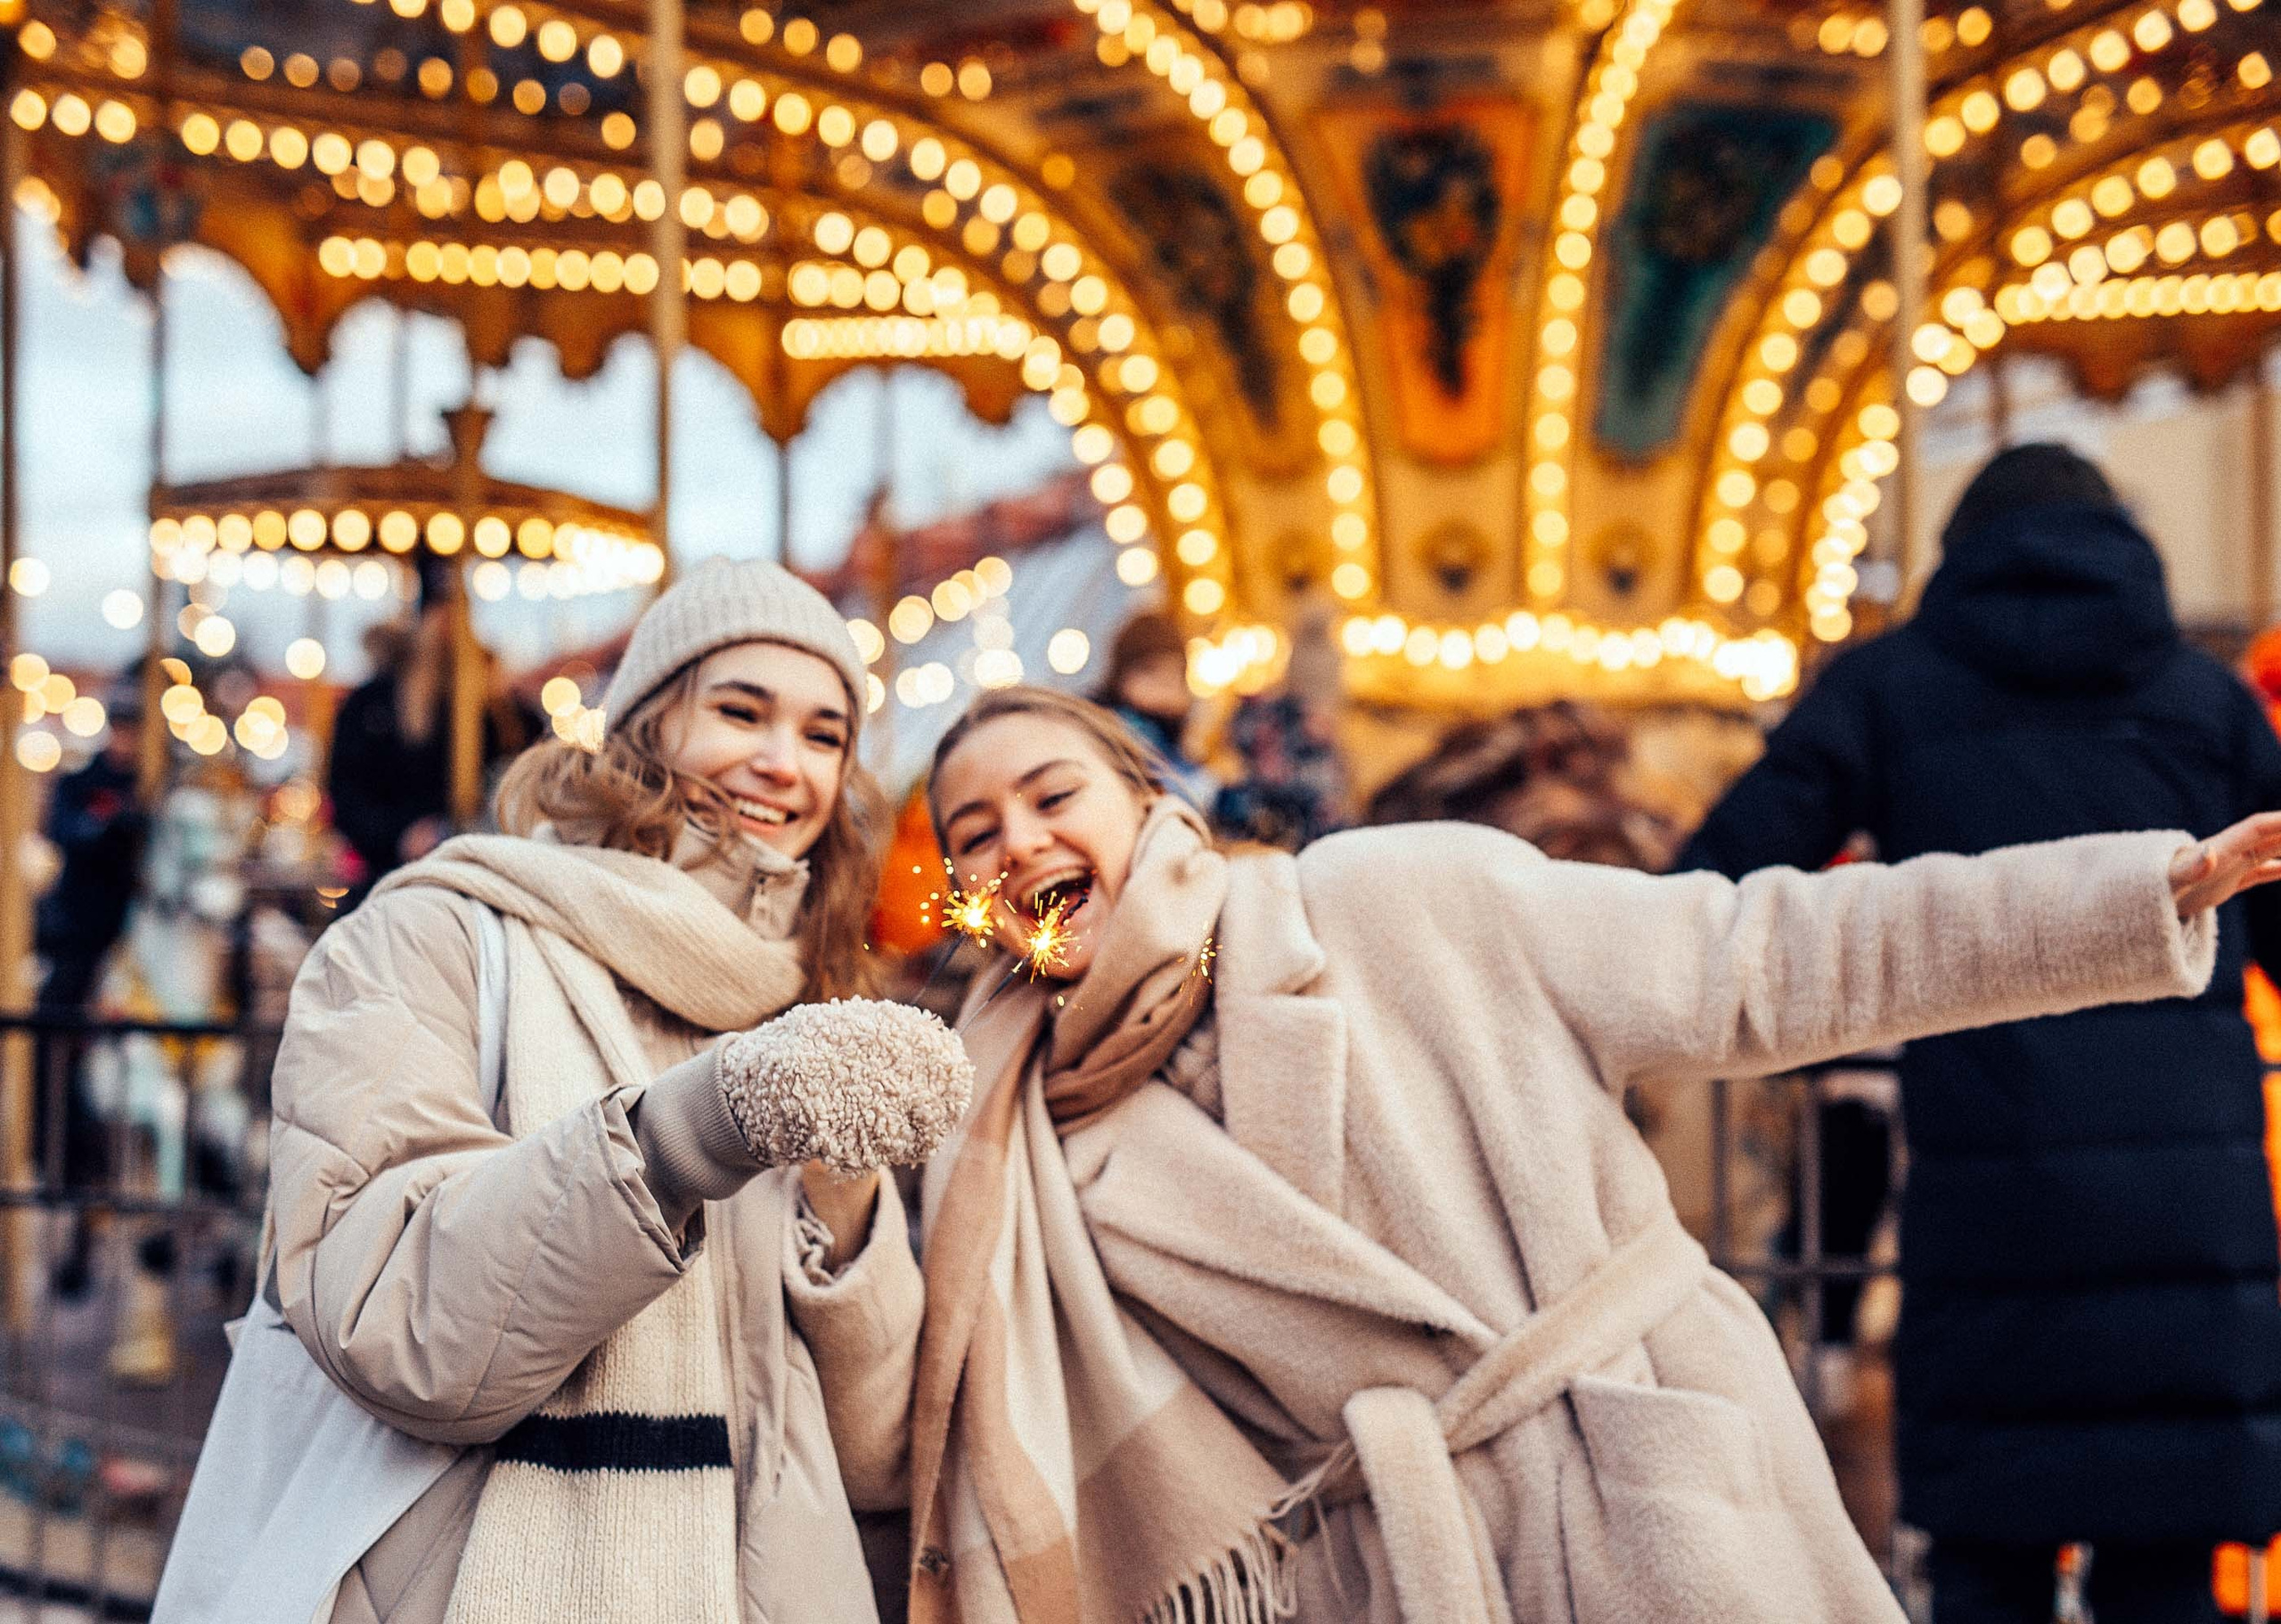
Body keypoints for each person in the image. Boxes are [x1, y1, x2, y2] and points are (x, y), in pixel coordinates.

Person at [901, 682, 2277, 1624]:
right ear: (965, 896)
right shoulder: (1026, 1147)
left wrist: (2123, 897)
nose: (1020, 843)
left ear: (1147, 799)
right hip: (1410, 1571)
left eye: (1050, 793)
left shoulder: (1399, 897)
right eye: (977, 835)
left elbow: (1760, 956)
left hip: (1644, 1485)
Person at [254, 559, 971, 1624]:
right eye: (740, 710)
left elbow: (872, 1455)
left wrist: (849, 1216)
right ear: (645, 724)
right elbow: (390, 1319)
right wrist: (690, 1132)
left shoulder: (804, 997)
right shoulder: (436, 934)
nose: (785, 764)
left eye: (825, 734)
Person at [1677, 443, 2281, 1622]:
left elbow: (1718, 878)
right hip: (2186, 1209)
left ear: (1962, 555)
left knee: (1985, 1569)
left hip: (1991, 1192)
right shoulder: (2204, 700)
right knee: (2164, 1570)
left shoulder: (1889, 686)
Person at [327, 566, 539, 907]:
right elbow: (345, 794)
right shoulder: (373, 706)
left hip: (479, 881)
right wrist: (399, 835)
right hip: (388, 879)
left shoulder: (500, 713)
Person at [1091, 611, 1216, 809]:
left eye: (1175, 676)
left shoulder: (1168, 731)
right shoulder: (1117, 725)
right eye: (1152, 672)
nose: (1166, 687)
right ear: (1123, 674)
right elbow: (1175, 787)